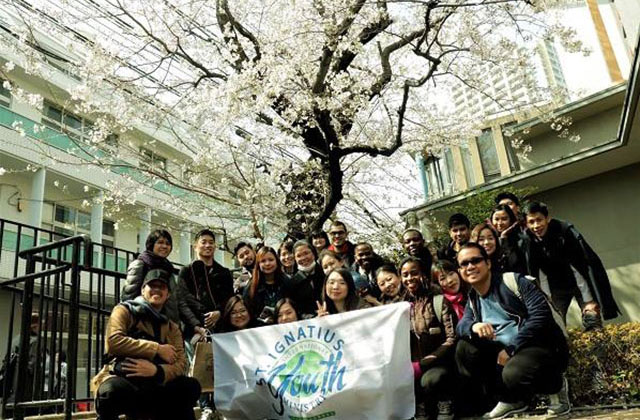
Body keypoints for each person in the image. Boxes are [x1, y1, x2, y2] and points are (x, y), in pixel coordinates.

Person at [455, 243, 569, 419]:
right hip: (506, 352)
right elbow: (461, 326)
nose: (470, 267)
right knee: (465, 349)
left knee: (513, 373)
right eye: (464, 264)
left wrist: (512, 348)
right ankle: (510, 399)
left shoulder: (514, 281)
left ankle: (556, 389)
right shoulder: (473, 297)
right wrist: (473, 326)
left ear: (488, 263)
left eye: (475, 260)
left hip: (538, 346)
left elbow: (540, 315)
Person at [93, 269, 201, 420]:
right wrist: (156, 349)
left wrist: (157, 371)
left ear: (168, 294)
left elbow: (181, 364)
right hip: (126, 380)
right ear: (143, 290)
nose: (157, 289)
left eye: (162, 287)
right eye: (152, 286)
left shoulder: (172, 327)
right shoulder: (123, 310)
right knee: (110, 392)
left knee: (190, 386)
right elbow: (113, 342)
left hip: (157, 384)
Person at [521, 202, 620, 329]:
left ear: (547, 218)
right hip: (555, 287)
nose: (536, 226)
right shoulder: (527, 241)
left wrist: (589, 301)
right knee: (553, 325)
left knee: (592, 318)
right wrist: (548, 301)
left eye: (539, 220)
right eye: (531, 222)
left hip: (578, 282)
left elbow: (578, 268)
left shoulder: (564, 232)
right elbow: (539, 274)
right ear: (526, 224)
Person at [399, 257, 456, 420]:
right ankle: (420, 407)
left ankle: (445, 402)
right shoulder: (399, 306)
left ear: (423, 274)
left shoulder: (439, 301)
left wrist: (428, 360)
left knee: (431, 380)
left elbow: (452, 337)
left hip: (438, 363)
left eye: (414, 273)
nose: (409, 278)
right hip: (412, 367)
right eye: (405, 275)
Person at [177, 229, 234, 341]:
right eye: (203, 242)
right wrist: (196, 325)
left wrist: (219, 313)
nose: (208, 245)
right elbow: (182, 299)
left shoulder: (224, 272)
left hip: (220, 328)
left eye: (211, 242)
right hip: (193, 329)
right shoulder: (186, 271)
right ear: (195, 246)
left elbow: (229, 298)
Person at [121, 229, 179, 323]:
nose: (164, 246)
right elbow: (128, 296)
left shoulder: (168, 268)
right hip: (143, 321)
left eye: (168, 244)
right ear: (151, 244)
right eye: (160, 242)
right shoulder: (140, 264)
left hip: (165, 323)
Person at [243, 246, 288, 325]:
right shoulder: (251, 287)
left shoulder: (287, 282)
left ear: (277, 261)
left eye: (271, 260)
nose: (267, 264)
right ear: (258, 264)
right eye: (263, 261)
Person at [284, 240, 325, 318]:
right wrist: (313, 317)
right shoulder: (293, 282)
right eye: (299, 256)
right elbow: (296, 310)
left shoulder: (324, 272)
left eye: (306, 253)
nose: (303, 258)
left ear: (313, 253)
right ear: (295, 259)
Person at [490, 205, 527, 273]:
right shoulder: (489, 241)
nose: (500, 223)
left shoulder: (521, 240)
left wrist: (504, 239)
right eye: (496, 219)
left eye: (504, 219)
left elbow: (512, 263)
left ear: (511, 220)